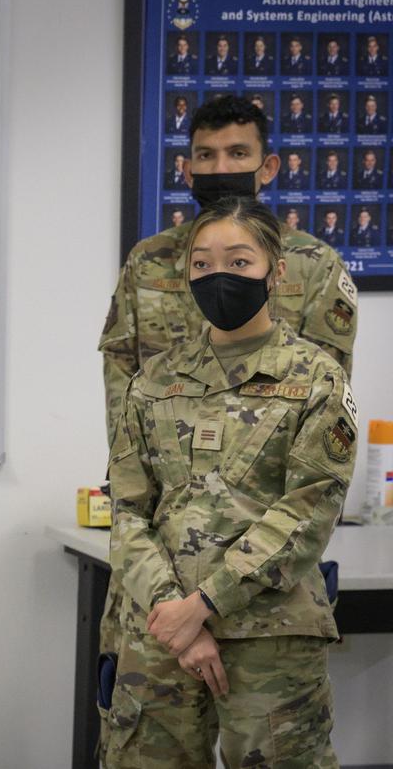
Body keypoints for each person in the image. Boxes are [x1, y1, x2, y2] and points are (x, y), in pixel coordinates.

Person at [97, 97, 357, 759]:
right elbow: (129, 489)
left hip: (264, 613)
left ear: (276, 272)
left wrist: (204, 604)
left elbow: (312, 488)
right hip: (158, 608)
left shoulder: (313, 363)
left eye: (240, 263)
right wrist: (174, 610)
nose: (219, 276)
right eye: (203, 265)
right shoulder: (153, 371)